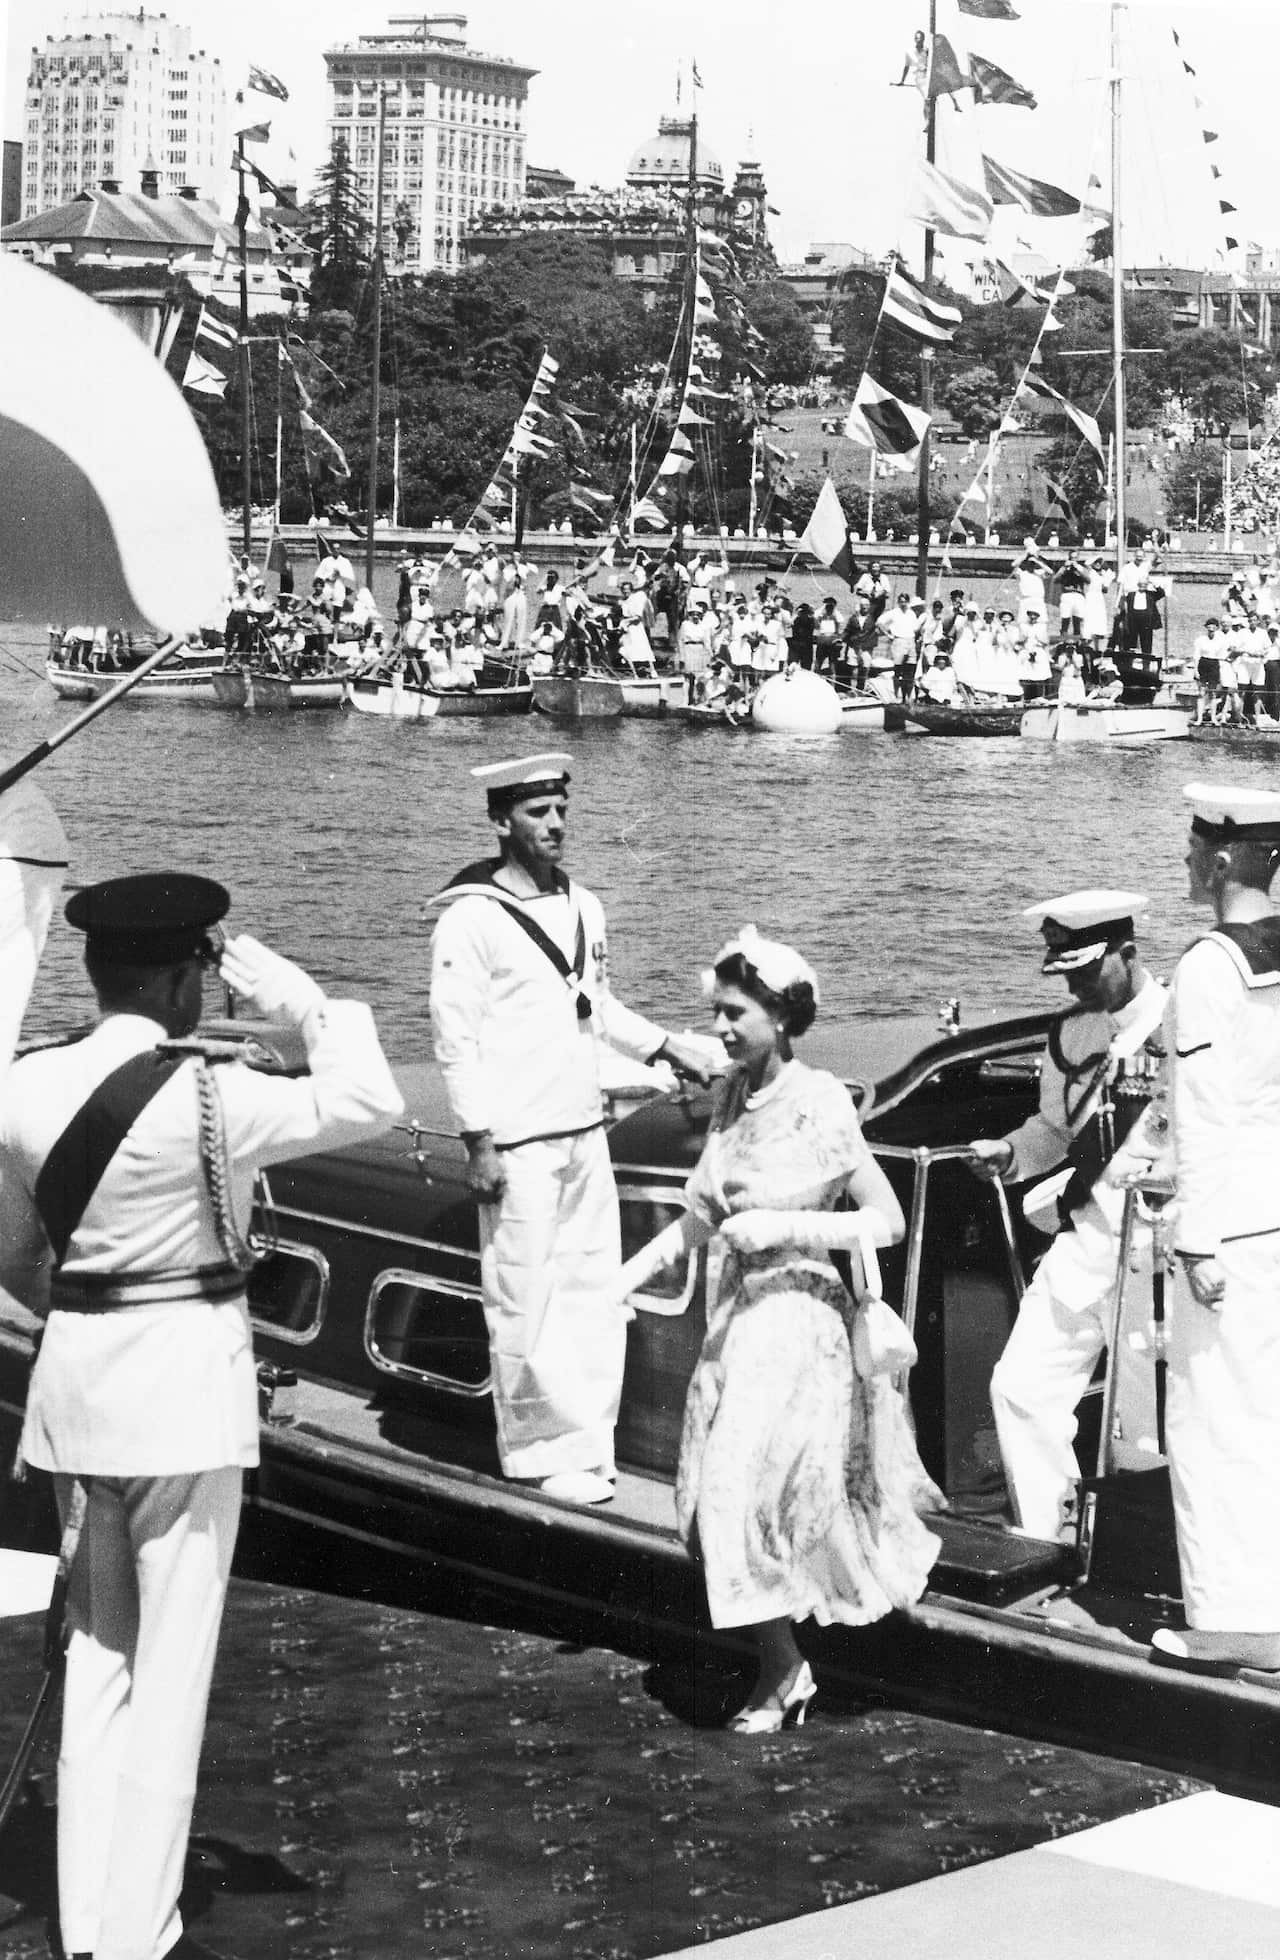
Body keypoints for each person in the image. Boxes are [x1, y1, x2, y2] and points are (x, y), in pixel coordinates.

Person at [0, 873, 403, 1960]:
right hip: (181, 1400)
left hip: (78, 1395)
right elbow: (372, 1099)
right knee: (169, 1675)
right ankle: (137, 1933)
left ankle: (87, 1921)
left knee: (97, 1656)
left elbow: (14, 1262)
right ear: (185, 975)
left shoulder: (25, 1086)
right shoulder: (213, 1100)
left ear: (97, 970)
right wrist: (306, 1003)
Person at [619, 928, 941, 1731]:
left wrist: (779, 1224)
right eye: (716, 1013)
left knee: (740, 1489)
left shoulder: (821, 1100)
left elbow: (886, 1219)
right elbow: (701, 1215)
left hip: (799, 1316)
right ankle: (782, 1661)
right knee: (709, 1497)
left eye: (734, 1014)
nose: (721, 1028)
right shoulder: (730, 1095)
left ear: (781, 1016)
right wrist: (620, 1280)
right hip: (734, 1315)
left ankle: (782, 1670)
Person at [429, 755, 714, 1507]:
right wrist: (478, 1141)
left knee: (591, 1288)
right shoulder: (470, 918)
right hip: (517, 1139)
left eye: (560, 810)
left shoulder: (585, 905)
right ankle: (537, 1451)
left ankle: (590, 1442)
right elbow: (454, 1040)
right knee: (526, 1298)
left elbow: (598, 1005)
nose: (554, 825)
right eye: (536, 813)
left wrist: (665, 1047)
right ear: (501, 822)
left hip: (584, 1128)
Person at [967, 892, 1167, 1542]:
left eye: (1085, 970)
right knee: (1021, 1387)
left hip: (1162, 1255)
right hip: (1085, 1241)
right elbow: (1054, 1129)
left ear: (1126, 952)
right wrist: (1011, 1153)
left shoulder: (1187, 1022)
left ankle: (1162, 1571)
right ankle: (1052, 1541)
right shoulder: (1071, 1032)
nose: (1075, 986)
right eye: (1065, 973)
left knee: (1153, 1428)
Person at [1152, 785, 1280, 1673]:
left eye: (1199, 850)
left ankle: (1238, 1622)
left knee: (1211, 1419)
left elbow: (1199, 1111)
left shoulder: (1207, 965)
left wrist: (1193, 1237)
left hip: (1228, 1225)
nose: (1190, 862)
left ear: (1228, 858)